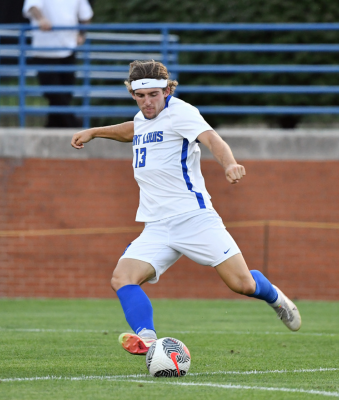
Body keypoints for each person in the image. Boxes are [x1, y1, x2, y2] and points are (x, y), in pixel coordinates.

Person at [71, 60, 301, 355]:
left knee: (241, 283)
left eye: (153, 95)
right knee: (122, 277)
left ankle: (276, 298)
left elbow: (211, 138)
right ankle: (149, 341)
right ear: (132, 95)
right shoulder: (143, 118)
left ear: (167, 90)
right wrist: (95, 131)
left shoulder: (181, 112)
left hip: (194, 218)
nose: (147, 102)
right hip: (156, 225)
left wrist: (229, 164)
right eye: (140, 97)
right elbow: (134, 130)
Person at [22, 0, 93, 128]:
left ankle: (52, 126)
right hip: (44, 51)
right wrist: (41, 19)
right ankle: (74, 125)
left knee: (65, 94)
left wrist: (82, 34)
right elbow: (32, 6)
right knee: (54, 93)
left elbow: (86, 15)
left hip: (68, 49)